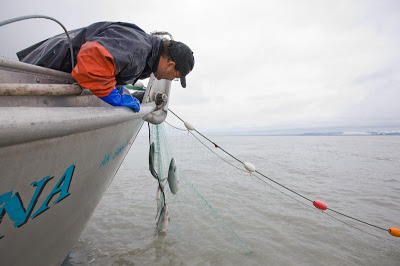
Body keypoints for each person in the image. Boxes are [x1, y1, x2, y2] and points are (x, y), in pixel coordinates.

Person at [17, 22, 195, 112]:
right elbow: (92, 59)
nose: (172, 79)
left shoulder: (147, 53)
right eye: (176, 76)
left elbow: (115, 62)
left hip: (51, 66)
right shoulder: (138, 48)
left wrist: (118, 86)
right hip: (44, 67)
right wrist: (116, 99)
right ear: (170, 64)